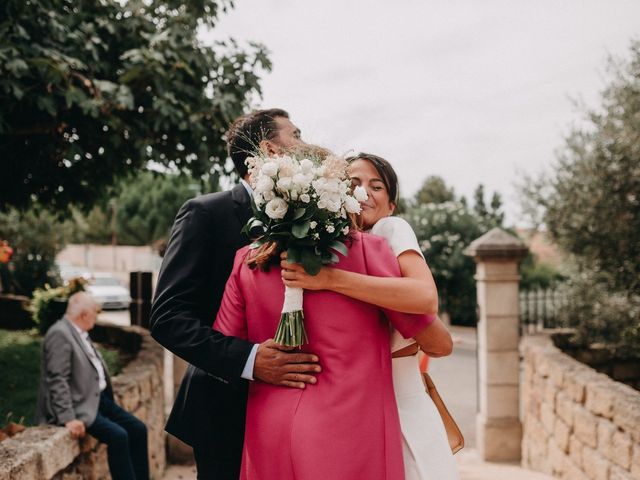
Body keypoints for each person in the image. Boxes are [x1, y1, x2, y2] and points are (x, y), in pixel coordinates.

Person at [149, 108, 321, 479]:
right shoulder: (205, 214)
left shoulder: (313, 217)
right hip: (225, 409)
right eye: (296, 135)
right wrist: (250, 360)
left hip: (295, 410)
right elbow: (168, 318)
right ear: (269, 150)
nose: (305, 144)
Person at [281, 153, 460, 480]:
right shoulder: (327, 245)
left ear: (391, 204)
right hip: (357, 415)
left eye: (376, 186)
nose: (365, 192)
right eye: (354, 184)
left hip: (400, 409)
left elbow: (426, 301)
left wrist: (331, 280)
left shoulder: (390, 228)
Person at [214, 219, 435, 479]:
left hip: (270, 429)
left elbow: (224, 344)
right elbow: (434, 338)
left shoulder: (246, 258)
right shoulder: (367, 250)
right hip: (351, 434)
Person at [37, 292, 149, 480]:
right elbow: (57, 379)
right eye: (95, 313)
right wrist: (68, 418)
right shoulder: (60, 334)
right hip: (80, 405)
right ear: (84, 314)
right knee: (119, 436)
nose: (97, 318)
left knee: (138, 429)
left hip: (101, 400)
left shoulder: (79, 332)